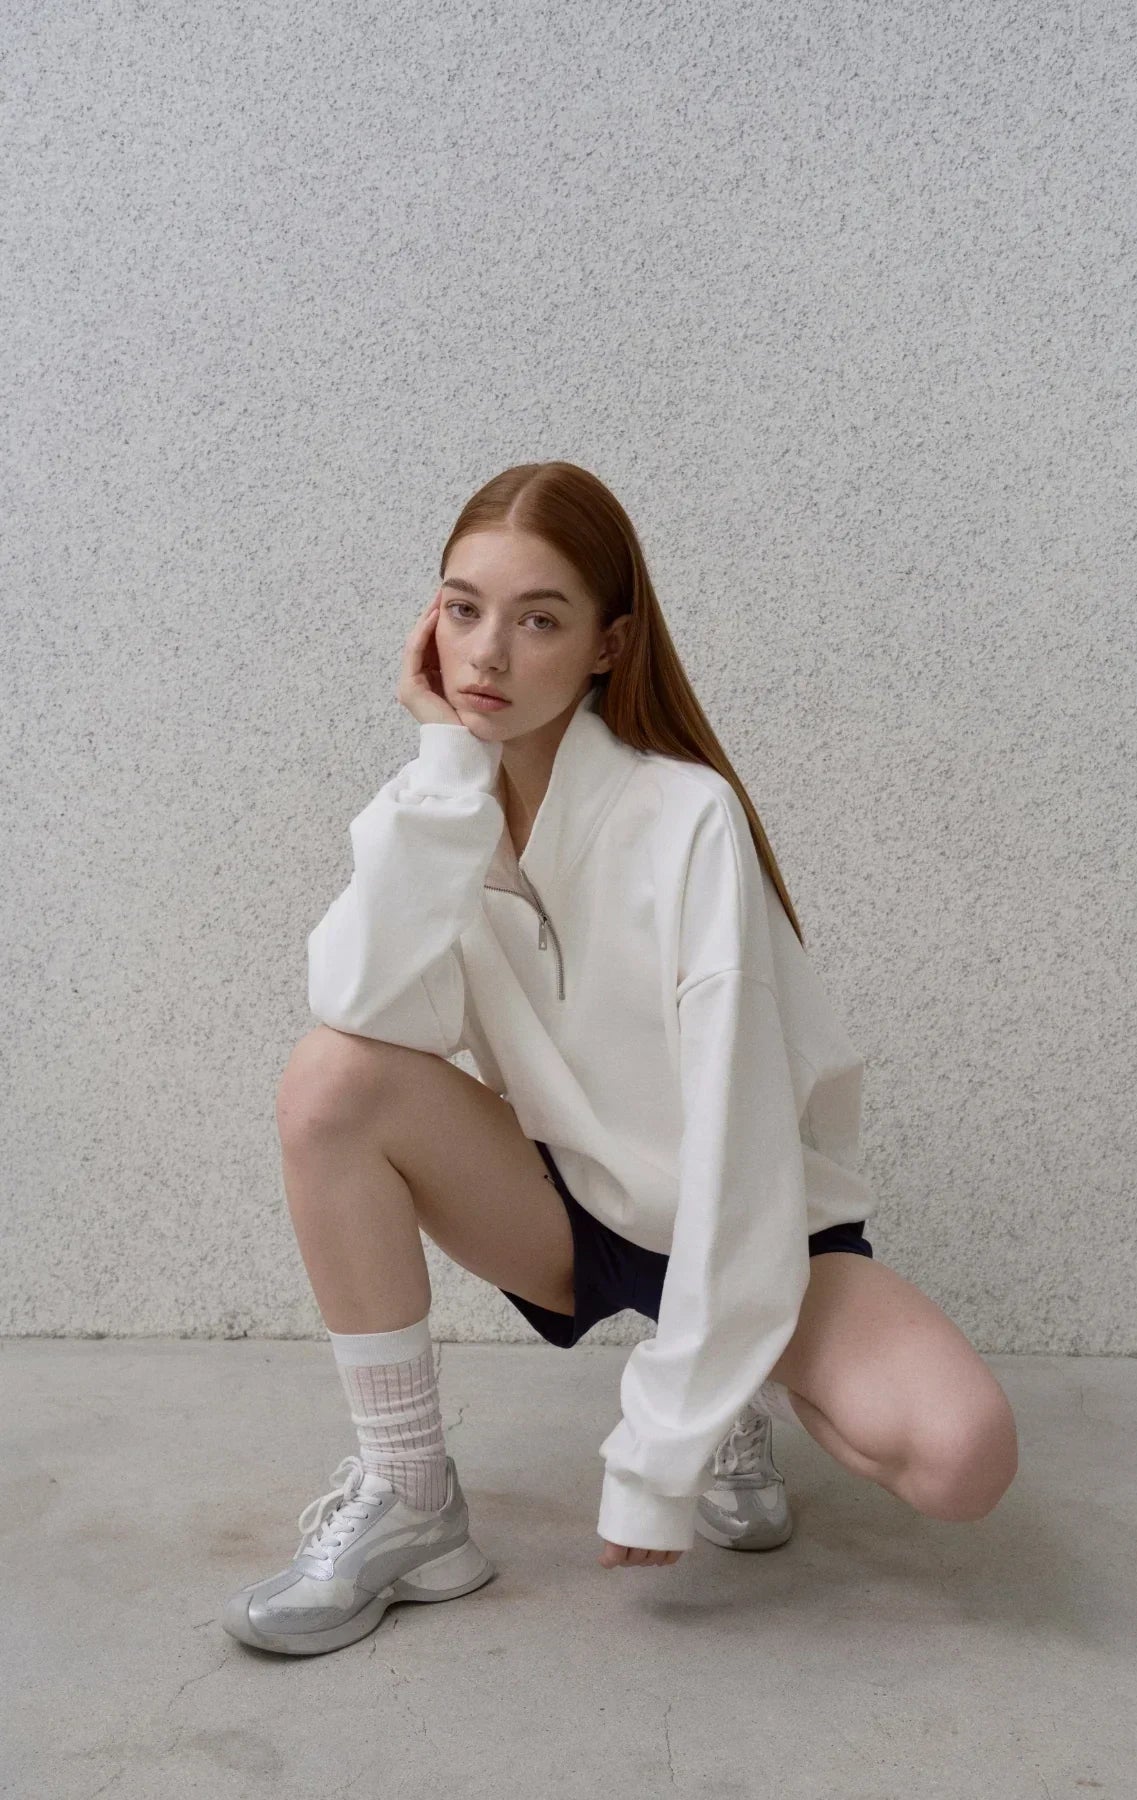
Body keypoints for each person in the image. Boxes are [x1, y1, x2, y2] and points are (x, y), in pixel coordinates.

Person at [222, 460, 1018, 1656]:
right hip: (567, 1206)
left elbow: (743, 1144)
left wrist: (666, 1437)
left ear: (606, 645)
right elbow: (365, 1004)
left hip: (753, 1228)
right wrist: (446, 774)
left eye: (538, 619)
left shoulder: (687, 815)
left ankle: (738, 1390)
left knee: (964, 1457)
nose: (486, 654)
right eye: (462, 608)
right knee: (330, 1078)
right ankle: (413, 1504)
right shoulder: (433, 806)